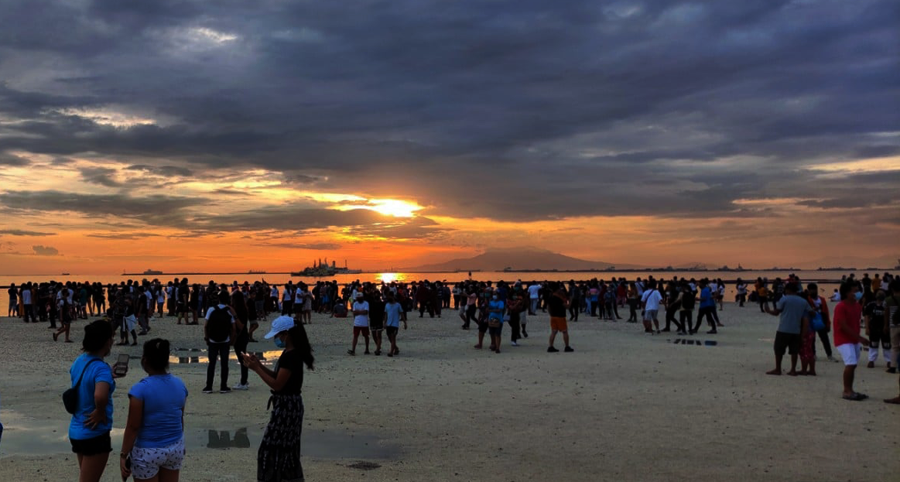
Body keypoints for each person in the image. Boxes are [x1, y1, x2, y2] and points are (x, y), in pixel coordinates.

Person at [243, 316, 315, 482]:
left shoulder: (291, 356)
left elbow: (277, 385)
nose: (277, 338)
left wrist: (256, 369)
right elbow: (278, 377)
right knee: (287, 451)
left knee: (271, 451)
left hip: (287, 407)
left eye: (278, 335)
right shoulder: (290, 353)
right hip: (289, 405)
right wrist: (259, 365)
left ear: (287, 334)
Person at [119, 338, 188, 482]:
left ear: (144, 360)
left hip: (147, 451)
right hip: (175, 445)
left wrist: (123, 454)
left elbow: (133, 426)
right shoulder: (180, 385)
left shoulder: (140, 390)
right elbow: (180, 418)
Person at [69, 320, 119, 482]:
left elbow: (86, 384)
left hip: (77, 429)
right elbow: (100, 395)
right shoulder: (101, 368)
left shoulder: (80, 360)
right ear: (106, 341)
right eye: (111, 338)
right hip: (94, 432)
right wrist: (99, 411)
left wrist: (108, 376)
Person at [764, 282, 811, 376]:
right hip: (796, 330)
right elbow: (811, 312)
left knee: (778, 349)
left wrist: (768, 311)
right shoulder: (803, 301)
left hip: (784, 329)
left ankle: (778, 369)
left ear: (788, 290)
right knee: (794, 351)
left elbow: (777, 312)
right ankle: (793, 370)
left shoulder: (784, 299)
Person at [833, 283, 869, 401]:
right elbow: (843, 326)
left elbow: (856, 322)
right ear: (847, 293)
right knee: (851, 363)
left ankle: (850, 389)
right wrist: (860, 338)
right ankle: (847, 391)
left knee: (853, 365)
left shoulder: (857, 306)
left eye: (858, 290)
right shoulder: (841, 306)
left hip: (853, 340)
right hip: (843, 339)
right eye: (855, 291)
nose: (858, 293)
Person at [203, 292, 237, 394]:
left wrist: (207, 337)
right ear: (228, 299)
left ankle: (209, 387)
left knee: (212, 363)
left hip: (213, 340)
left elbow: (205, 325)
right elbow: (234, 328)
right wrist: (232, 339)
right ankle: (223, 386)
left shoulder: (211, 309)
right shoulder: (229, 311)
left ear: (218, 299)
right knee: (224, 364)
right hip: (225, 340)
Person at [806, 283, 836, 362]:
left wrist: (828, 323)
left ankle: (829, 355)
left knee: (825, 338)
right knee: (812, 339)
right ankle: (813, 354)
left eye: (814, 289)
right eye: (811, 290)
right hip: (811, 321)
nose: (812, 291)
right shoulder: (807, 299)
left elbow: (826, 312)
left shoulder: (822, 299)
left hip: (821, 321)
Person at [864, 291, 890, 369]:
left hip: (885, 328)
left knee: (887, 345)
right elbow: (866, 316)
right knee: (873, 345)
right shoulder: (871, 305)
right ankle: (871, 360)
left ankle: (889, 361)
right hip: (873, 328)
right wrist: (867, 328)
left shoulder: (887, 305)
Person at [547, 283, 574, 353]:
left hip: (553, 316)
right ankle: (567, 346)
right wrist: (570, 300)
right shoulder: (559, 298)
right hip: (560, 316)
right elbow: (567, 306)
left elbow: (548, 307)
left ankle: (550, 346)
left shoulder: (551, 296)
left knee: (553, 332)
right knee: (565, 331)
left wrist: (551, 314)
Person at [384, 293, 407, 357]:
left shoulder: (398, 305)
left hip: (395, 324)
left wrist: (405, 323)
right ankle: (396, 348)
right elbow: (386, 314)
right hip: (388, 323)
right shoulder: (387, 305)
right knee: (389, 337)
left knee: (393, 337)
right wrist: (384, 322)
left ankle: (391, 352)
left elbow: (402, 314)